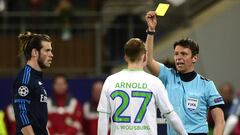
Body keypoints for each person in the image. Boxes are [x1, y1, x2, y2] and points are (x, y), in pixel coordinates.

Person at [145, 11, 225, 135]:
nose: (178, 57)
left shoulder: (207, 85)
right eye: (176, 54)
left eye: (184, 54)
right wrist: (151, 30)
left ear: (194, 58)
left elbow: (220, 121)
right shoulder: (168, 76)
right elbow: (148, 61)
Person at [97, 38, 187, 135]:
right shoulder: (154, 83)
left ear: (126, 57)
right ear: (144, 57)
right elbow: (171, 116)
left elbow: (103, 119)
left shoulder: (111, 81)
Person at [12, 31, 53, 135]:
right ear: (35, 52)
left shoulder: (36, 77)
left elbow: (40, 119)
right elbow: (21, 114)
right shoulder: (25, 78)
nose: (51, 55)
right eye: (47, 50)